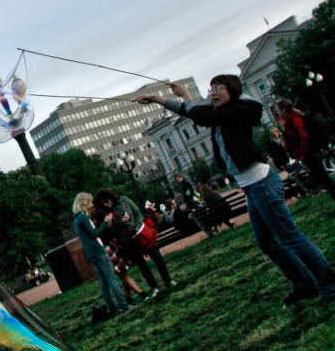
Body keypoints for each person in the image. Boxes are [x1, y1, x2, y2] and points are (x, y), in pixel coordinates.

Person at [137, 76, 335, 306]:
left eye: (218, 88)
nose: (213, 92)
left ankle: (329, 285)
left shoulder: (238, 110)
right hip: (252, 186)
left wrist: (187, 95)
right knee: (266, 242)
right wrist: (157, 98)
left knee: (290, 237)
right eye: (211, 88)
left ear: (232, 91)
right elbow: (189, 111)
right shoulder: (220, 111)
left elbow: (198, 115)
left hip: (262, 183)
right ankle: (304, 284)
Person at [95, 189, 177, 296]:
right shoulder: (107, 214)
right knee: (142, 265)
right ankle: (154, 286)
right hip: (128, 241)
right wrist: (120, 223)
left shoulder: (123, 200)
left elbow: (137, 213)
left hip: (140, 234)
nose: (106, 205)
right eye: (103, 204)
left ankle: (168, 280)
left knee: (157, 257)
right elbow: (113, 231)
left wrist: (138, 226)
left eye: (106, 201)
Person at [72, 192, 134, 316]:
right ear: (84, 202)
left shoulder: (76, 219)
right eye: (90, 202)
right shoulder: (83, 218)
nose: (92, 204)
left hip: (91, 254)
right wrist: (105, 222)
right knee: (112, 280)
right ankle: (124, 306)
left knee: (104, 283)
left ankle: (113, 309)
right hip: (98, 251)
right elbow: (95, 234)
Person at [275, 98, 335, 202]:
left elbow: (303, 137)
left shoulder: (294, 119)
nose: (278, 113)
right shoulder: (289, 120)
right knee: (322, 178)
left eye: (279, 110)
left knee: (323, 178)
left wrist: (302, 152)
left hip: (309, 152)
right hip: (307, 152)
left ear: (284, 109)